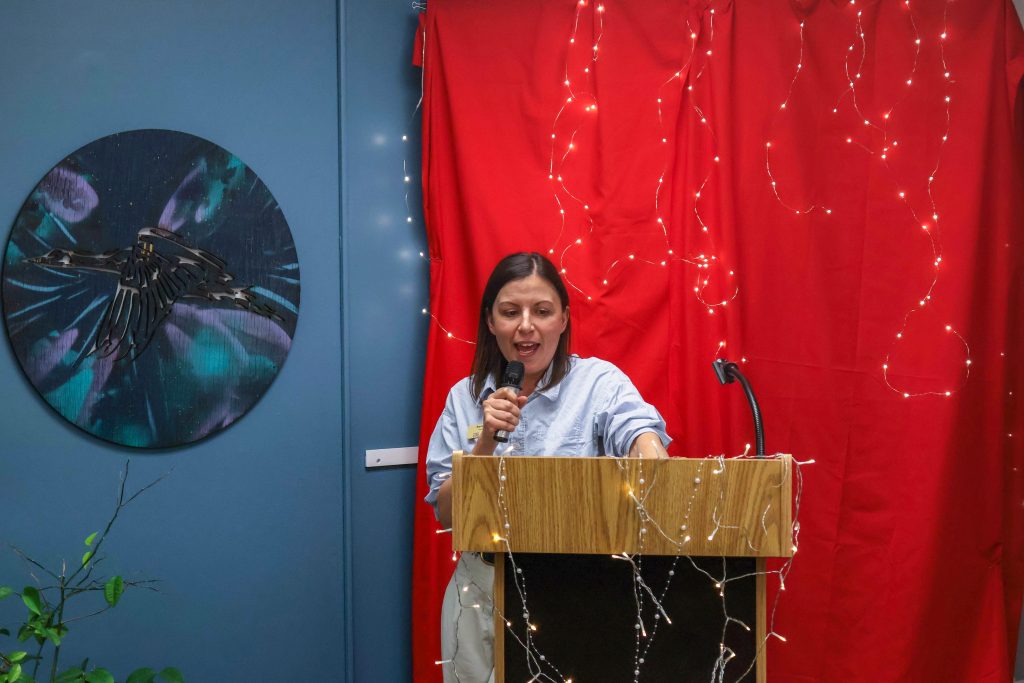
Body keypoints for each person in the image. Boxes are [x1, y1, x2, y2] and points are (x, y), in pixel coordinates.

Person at [424, 252, 671, 683]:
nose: (526, 325)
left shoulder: (598, 382)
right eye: (510, 312)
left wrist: (646, 450)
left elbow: (639, 432)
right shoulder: (463, 399)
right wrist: (485, 440)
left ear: (563, 319)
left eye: (542, 311)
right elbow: (446, 513)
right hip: (482, 591)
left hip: (578, 588)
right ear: (490, 322)